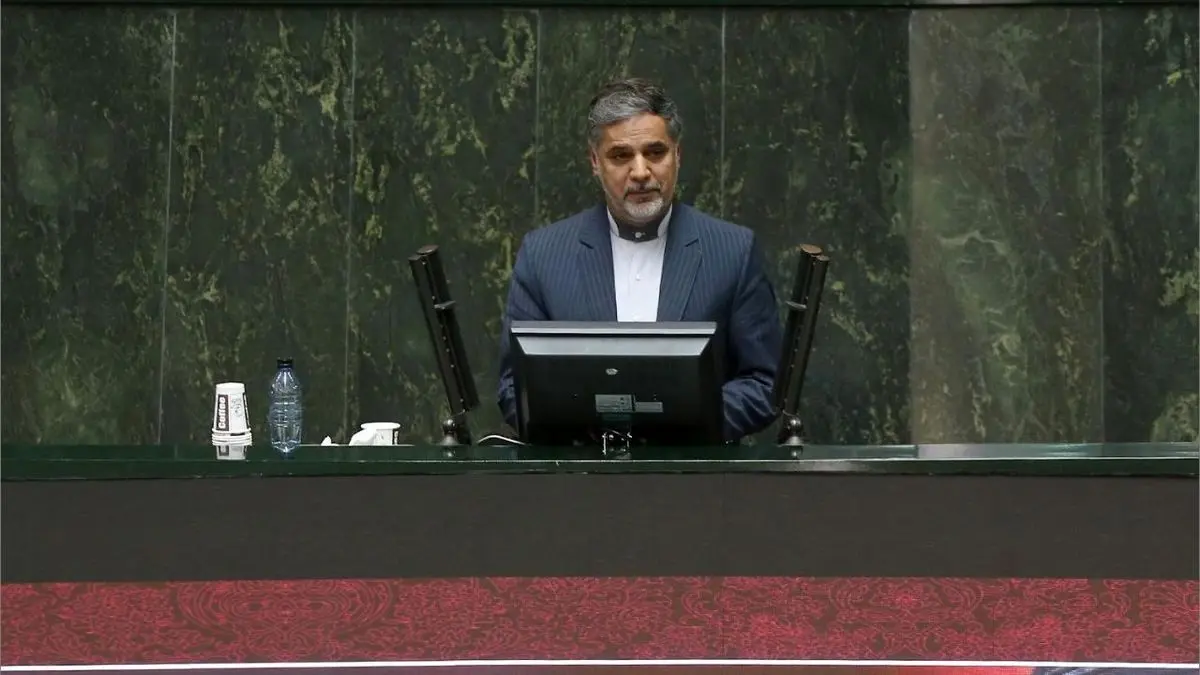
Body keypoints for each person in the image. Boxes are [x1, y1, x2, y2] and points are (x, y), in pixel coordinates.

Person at [497, 77, 783, 442]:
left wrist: (683, 422)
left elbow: (765, 382)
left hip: (693, 472)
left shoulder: (733, 251)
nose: (641, 172)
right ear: (595, 162)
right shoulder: (544, 255)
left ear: (677, 155)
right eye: (620, 156)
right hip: (582, 472)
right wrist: (588, 427)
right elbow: (513, 387)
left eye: (655, 152)